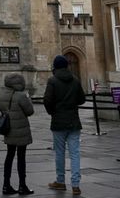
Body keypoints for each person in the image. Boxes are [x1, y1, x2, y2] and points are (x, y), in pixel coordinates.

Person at [43, 55, 87, 195]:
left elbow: (47, 100)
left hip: (58, 121)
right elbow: (81, 99)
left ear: (55, 67)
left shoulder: (53, 80)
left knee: (60, 152)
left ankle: (60, 181)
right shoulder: (75, 79)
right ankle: (75, 184)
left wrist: (52, 112)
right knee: (75, 153)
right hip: (73, 121)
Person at [0, 72, 35, 195]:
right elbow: (30, 111)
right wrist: (28, 98)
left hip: (9, 130)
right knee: (21, 157)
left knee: (9, 156)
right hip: (21, 131)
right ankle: (22, 186)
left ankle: (6, 185)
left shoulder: (2, 95)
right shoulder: (20, 96)